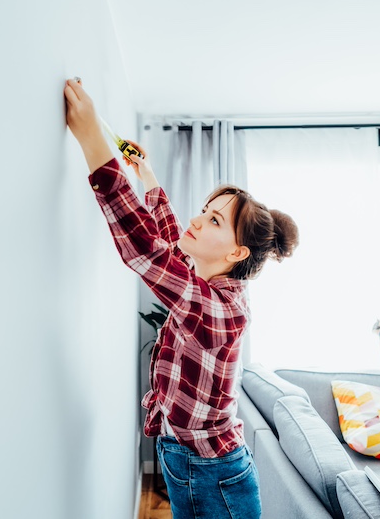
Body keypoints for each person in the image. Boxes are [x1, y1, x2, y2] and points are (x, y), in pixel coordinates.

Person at [64, 78, 299, 519]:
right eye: (205, 209)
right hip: (192, 458)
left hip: (213, 474)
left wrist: (93, 143)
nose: (197, 220)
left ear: (235, 252)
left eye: (212, 220)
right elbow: (172, 238)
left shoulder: (219, 310)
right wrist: (145, 174)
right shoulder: (208, 278)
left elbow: (147, 251)